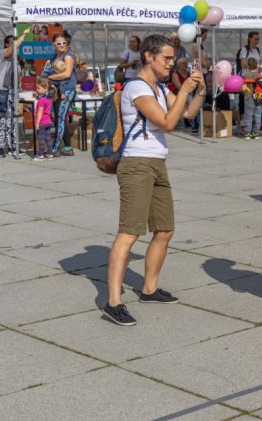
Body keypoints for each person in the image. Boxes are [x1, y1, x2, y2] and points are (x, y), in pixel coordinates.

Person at [103, 34, 206, 326]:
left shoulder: (160, 88)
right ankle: (113, 302)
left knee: (164, 229)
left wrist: (199, 91)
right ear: (149, 57)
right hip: (136, 164)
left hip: (158, 163)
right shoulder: (137, 87)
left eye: (172, 58)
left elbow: (186, 114)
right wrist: (184, 88)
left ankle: (149, 288)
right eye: (167, 58)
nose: (171, 63)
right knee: (129, 232)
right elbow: (167, 123)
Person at [0, 29, 29, 157]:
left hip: (13, 92)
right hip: (1, 91)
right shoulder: (2, 53)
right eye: (13, 42)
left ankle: (13, 147)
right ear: (7, 44)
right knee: (1, 119)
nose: (16, 44)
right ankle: (0, 148)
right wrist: (23, 35)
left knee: (13, 119)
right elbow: (13, 49)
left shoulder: (16, 59)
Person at [47, 33, 77, 156]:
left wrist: (50, 77)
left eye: (64, 43)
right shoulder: (54, 57)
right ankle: (68, 147)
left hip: (68, 90)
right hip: (57, 90)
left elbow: (67, 74)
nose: (62, 45)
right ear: (54, 45)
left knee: (60, 118)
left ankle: (55, 148)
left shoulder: (68, 56)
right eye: (59, 43)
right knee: (59, 119)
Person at [33, 77, 55, 161]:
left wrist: (37, 123)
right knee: (48, 138)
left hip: (42, 122)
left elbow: (40, 112)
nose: (37, 89)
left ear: (45, 88)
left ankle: (40, 154)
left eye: (38, 88)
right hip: (48, 121)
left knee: (41, 139)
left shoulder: (41, 100)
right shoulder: (49, 98)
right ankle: (50, 154)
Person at [242, 58, 262, 139]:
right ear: (257, 65)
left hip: (248, 97)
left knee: (248, 115)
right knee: (258, 115)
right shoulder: (260, 75)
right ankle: (256, 133)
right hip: (259, 97)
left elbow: (243, 88)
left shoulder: (246, 76)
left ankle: (247, 133)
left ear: (248, 66)